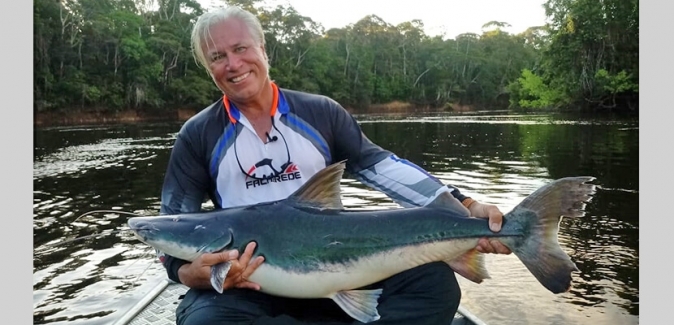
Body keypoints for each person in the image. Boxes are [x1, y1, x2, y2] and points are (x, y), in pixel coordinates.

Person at [158, 6, 511, 325]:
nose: (233, 64)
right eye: (218, 57)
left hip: (343, 267)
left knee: (435, 286)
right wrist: (188, 273)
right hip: (248, 287)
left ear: (263, 50)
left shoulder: (320, 112)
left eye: (240, 49)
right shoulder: (198, 134)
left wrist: (464, 205)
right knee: (204, 322)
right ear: (209, 68)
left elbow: (379, 165)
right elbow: (171, 221)